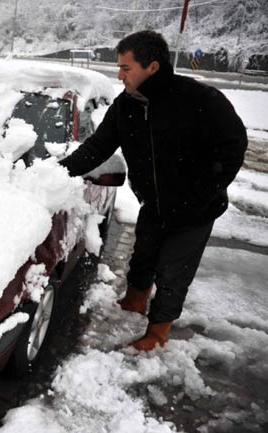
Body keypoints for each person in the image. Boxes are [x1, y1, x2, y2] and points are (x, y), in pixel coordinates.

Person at [58, 30, 247, 351]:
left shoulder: (200, 100)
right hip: (154, 203)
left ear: (153, 67)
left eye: (126, 68)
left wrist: (201, 194)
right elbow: (98, 146)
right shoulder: (127, 105)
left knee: (173, 272)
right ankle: (134, 302)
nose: (119, 76)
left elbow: (233, 147)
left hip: (195, 211)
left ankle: (157, 333)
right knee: (143, 257)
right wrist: (57, 171)